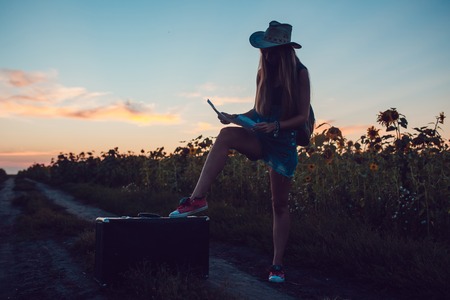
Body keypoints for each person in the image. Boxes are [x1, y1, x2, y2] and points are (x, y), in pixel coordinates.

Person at [169, 20, 311, 283]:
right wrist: (233, 116)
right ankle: (197, 199)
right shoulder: (263, 74)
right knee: (225, 135)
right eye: (264, 49)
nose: (267, 54)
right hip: (262, 137)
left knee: (279, 205)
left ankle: (277, 265)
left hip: (284, 143)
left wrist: (277, 125)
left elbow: (302, 117)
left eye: (272, 50)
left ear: (285, 50)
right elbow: (258, 112)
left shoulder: (300, 73)